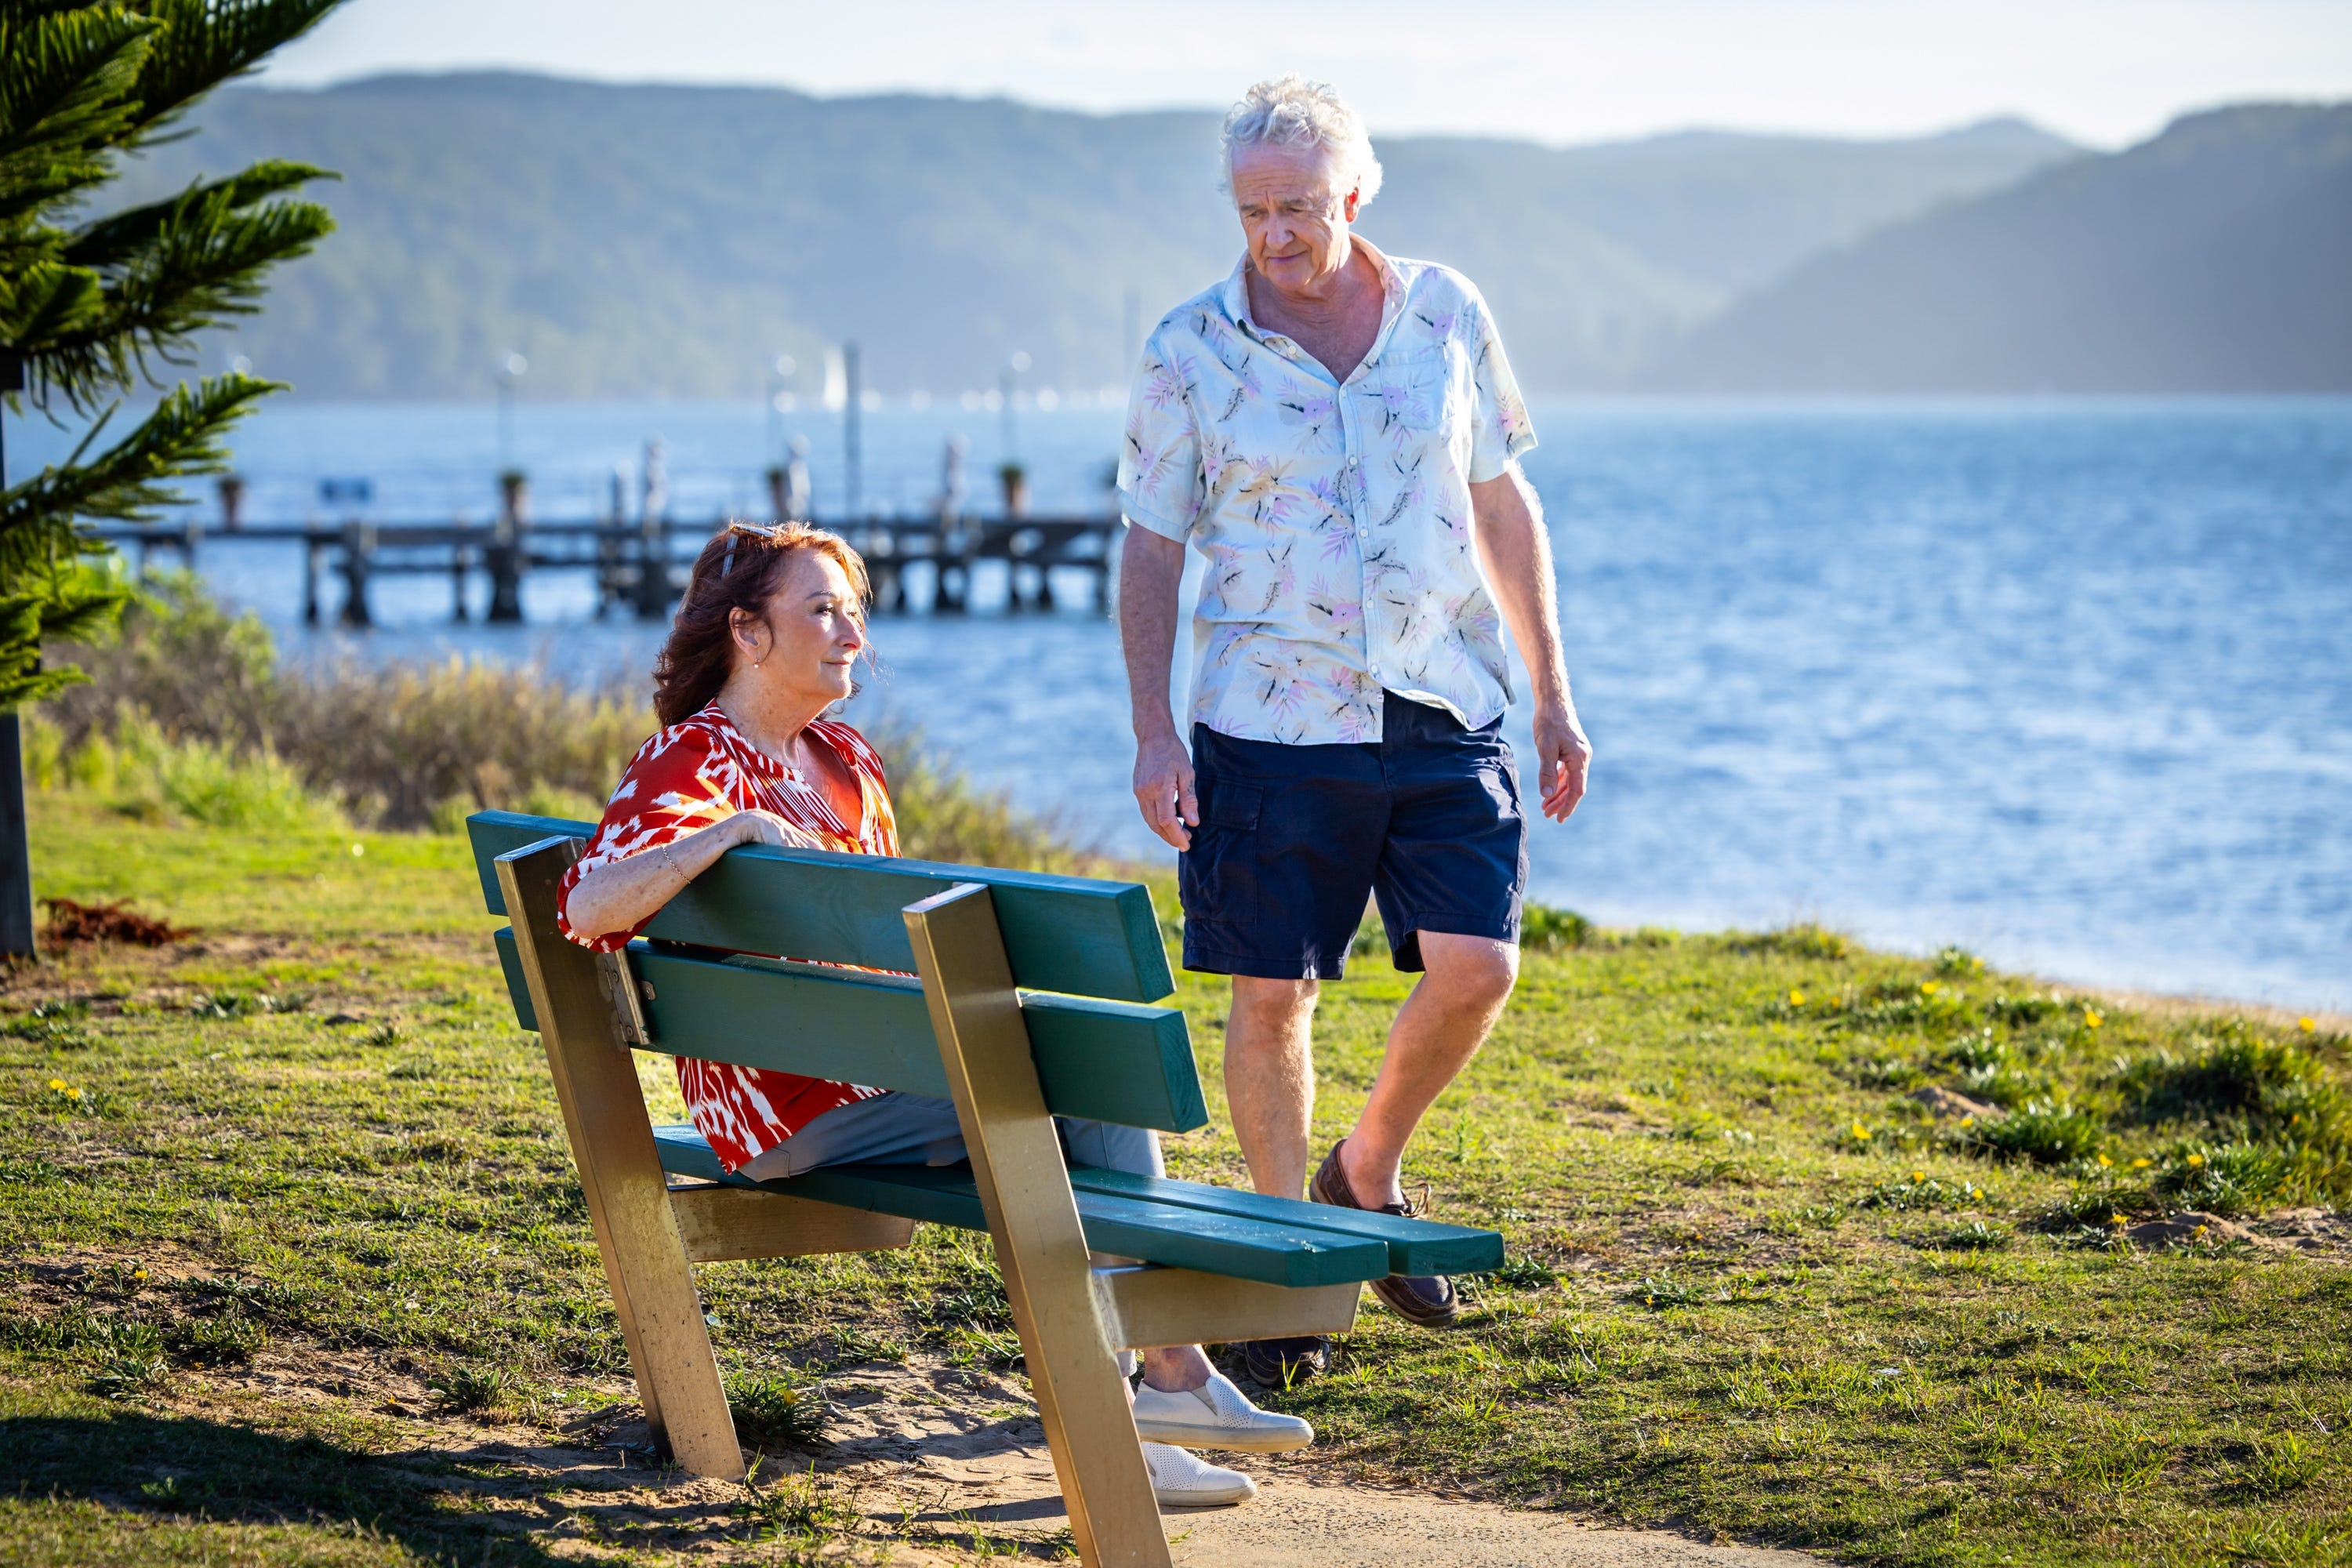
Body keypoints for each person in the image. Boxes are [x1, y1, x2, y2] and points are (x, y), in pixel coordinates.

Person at [561, 521, 1308, 1506]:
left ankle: (1154, 1399)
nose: (851, 634)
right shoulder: (695, 761)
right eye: (822, 610)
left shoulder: (847, 762)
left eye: (854, 612)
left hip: (880, 1072)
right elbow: (586, 904)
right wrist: (734, 830)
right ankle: (1165, 1384)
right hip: (787, 1112)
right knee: (1076, 1087)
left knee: (1062, 1095)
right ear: (748, 632)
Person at [1116, 77, 1592, 1388]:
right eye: (1256, 210)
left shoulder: (1447, 312)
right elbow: (1152, 548)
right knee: (1274, 994)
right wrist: (1155, 734)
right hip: (1269, 718)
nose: (1278, 233)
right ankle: (1285, 1279)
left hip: (1447, 695)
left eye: (1302, 207)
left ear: (1357, 193)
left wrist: (1553, 691)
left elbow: (1503, 502)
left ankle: (1363, 1174)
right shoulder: (1187, 348)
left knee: (1478, 965)